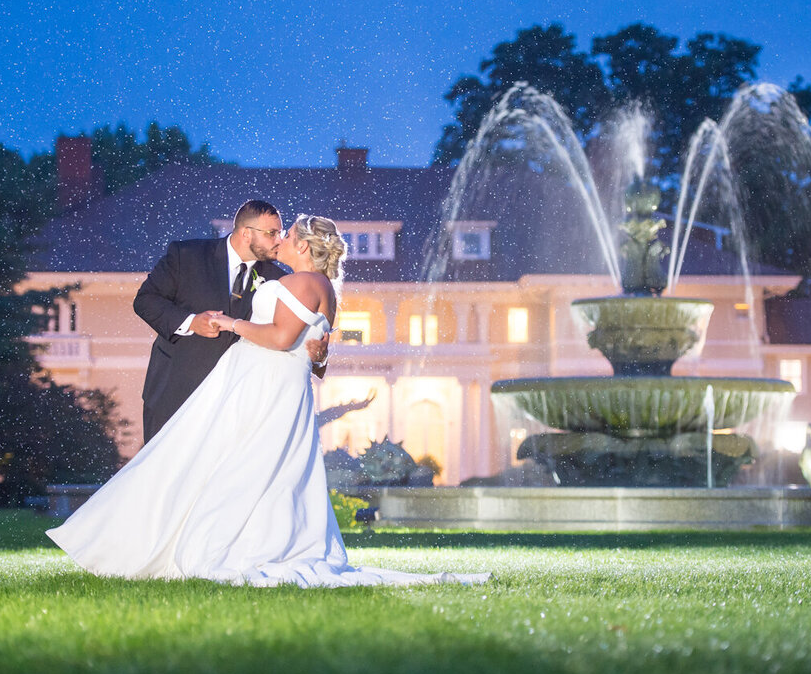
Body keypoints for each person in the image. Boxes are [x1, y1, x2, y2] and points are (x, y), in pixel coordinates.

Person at [48, 215, 488, 588]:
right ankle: (245, 538)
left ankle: (217, 544)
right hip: (274, 383)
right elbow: (316, 357)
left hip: (265, 385)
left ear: (300, 244)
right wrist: (315, 354)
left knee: (237, 465)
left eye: (286, 234)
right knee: (257, 468)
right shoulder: (317, 285)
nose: (279, 241)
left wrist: (229, 323)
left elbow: (279, 339)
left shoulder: (299, 281)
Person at [133, 199, 328, 442]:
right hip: (176, 389)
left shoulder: (280, 280)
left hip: (237, 403)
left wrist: (320, 357)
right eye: (271, 233)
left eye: (281, 233)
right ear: (246, 233)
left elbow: (291, 336)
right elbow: (145, 300)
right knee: (164, 476)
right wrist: (192, 322)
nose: (278, 240)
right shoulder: (187, 255)